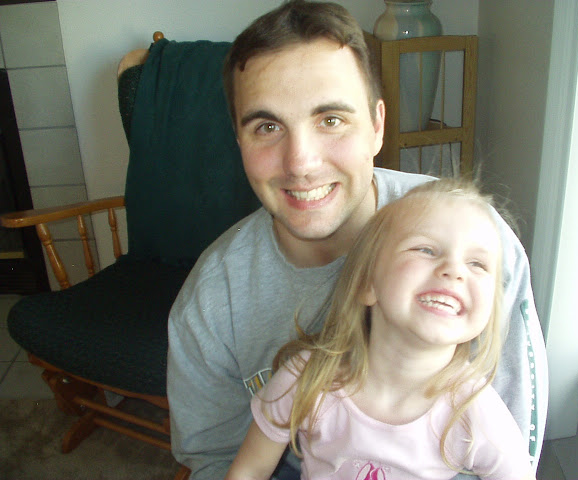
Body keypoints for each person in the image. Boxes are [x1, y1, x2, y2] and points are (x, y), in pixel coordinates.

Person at [167, 1, 547, 479]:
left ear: (377, 126)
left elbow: (510, 450)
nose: (301, 163)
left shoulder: (477, 248)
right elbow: (217, 462)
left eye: (331, 119)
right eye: (268, 127)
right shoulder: (209, 303)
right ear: (239, 142)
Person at [225, 179, 536, 480]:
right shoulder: (307, 379)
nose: (454, 270)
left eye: (477, 264)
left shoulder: (475, 412)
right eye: (426, 250)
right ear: (368, 283)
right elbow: (249, 472)